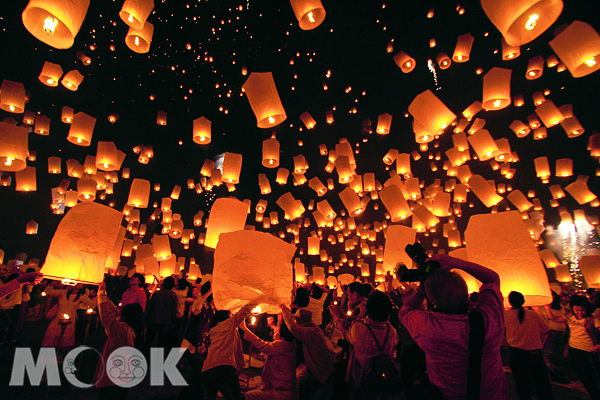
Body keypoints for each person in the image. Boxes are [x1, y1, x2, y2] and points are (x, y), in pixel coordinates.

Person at [398, 253, 508, 400]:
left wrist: (422, 289)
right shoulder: (490, 318)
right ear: (465, 293)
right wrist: (457, 262)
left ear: (431, 301)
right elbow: (492, 278)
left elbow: (406, 309)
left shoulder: (429, 328)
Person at [332, 290, 399, 400]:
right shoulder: (391, 331)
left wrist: (337, 317)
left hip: (361, 376)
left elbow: (347, 334)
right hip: (384, 375)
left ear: (368, 308)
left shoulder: (359, 328)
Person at [94, 281, 145, 400]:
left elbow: (106, 315)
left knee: (109, 395)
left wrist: (101, 294)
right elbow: (114, 311)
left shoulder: (121, 330)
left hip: (113, 373)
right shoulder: (135, 328)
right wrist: (103, 293)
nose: (119, 311)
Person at [504, 291, 554, 400]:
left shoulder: (506, 315)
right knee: (542, 383)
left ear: (509, 301)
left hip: (517, 354)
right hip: (535, 353)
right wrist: (543, 348)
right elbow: (550, 333)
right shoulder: (533, 314)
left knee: (522, 383)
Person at [280, 305, 336, 399]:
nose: (296, 322)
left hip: (322, 367)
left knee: (319, 394)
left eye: (297, 320)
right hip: (317, 365)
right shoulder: (313, 328)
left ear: (301, 322)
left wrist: (285, 312)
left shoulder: (311, 332)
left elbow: (294, 329)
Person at [202, 303, 256, 400]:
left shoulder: (213, 330)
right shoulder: (229, 324)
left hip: (207, 370)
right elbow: (243, 312)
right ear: (227, 316)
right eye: (230, 314)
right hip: (223, 368)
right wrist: (254, 301)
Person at [241, 317, 298, 400]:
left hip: (281, 393)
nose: (274, 333)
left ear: (282, 338)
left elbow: (260, 344)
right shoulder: (290, 344)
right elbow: (283, 333)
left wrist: (244, 329)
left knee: (249, 395)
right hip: (289, 391)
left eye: (277, 332)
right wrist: (273, 325)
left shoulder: (279, 347)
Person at [42, 282, 96, 351]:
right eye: (76, 284)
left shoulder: (81, 296)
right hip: (57, 320)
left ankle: (60, 355)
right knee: (51, 342)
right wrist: (51, 284)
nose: (77, 287)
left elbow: (93, 304)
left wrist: (98, 296)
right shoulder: (63, 293)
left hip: (69, 322)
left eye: (79, 285)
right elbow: (48, 292)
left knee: (63, 344)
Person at [565, 295, 600, 399]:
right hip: (573, 349)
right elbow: (555, 319)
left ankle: (595, 396)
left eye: (582, 310)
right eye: (577, 310)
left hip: (587, 351)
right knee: (581, 375)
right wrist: (547, 309)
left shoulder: (592, 319)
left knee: (588, 377)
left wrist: (598, 345)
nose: (580, 313)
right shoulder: (571, 317)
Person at [145, 276, 178, 350]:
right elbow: (174, 309)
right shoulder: (173, 295)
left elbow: (150, 307)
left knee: (149, 340)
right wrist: (173, 321)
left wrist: (147, 319)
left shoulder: (157, 294)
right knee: (161, 342)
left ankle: (146, 356)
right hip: (166, 321)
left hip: (154, 319)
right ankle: (159, 358)